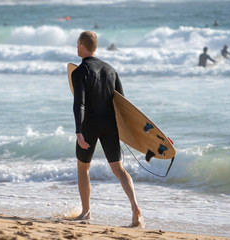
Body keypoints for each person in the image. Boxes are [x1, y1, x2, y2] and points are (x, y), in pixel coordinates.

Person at [71, 31, 143, 227]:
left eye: (78, 44)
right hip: (111, 125)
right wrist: (126, 132)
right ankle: (135, 207)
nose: (76, 47)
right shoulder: (111, 70)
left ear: (83, 46)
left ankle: (86, 213)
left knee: (83, 168)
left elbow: (80, 104)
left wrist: (79, 131)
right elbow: (123, 104)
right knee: (119, 169)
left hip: (90, 126)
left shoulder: (79, 72)